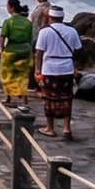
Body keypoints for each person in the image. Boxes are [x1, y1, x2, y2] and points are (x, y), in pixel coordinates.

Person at [35, 10, 82, 138]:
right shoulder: (72, 31)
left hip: (49, 68)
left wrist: (37, 70)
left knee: (49, 98)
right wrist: (75, 67)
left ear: (50, 17)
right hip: (67, 67)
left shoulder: (44, 32)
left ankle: (50, 128)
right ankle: (67, 128)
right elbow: (78, 51)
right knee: (67, 98)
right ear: (62, 17)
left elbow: (39, 53)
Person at [0, 0, 33, 101]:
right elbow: (31, 37)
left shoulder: (9, 21)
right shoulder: (27, 22)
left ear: (12, 8)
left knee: (6, 73)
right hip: (26, 50)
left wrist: (2, 49)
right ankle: (24, 97)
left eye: (7, 6)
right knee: (23, 74)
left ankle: (8, 97)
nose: (7, 8)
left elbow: (2, 37)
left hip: (12, 50)